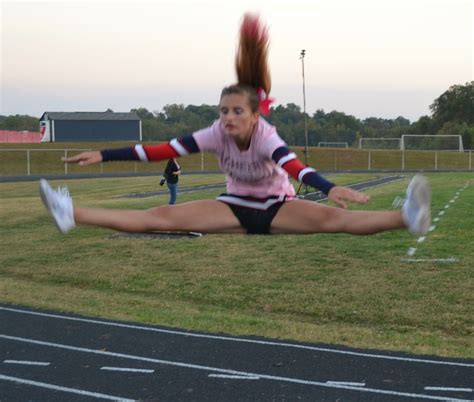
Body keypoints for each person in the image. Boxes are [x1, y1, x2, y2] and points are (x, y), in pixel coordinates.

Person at [39, 13, 431, 237]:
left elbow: (294, 166)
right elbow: (158, 151)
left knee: (339, 222)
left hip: (278, 206)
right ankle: (70, 212)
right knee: (156, 219)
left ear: (255, 115)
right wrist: (103, 154)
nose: (228, 117)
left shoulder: (266, 136)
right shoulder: (214, 133)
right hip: (233, 206)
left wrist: (329, 187)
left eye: (236, 111)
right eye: (223, 110)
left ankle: (408, 217)